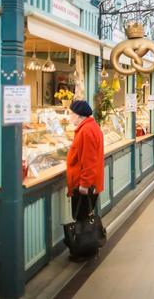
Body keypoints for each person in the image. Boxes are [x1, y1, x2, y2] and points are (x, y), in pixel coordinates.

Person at [66, 100, 104, 262]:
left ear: (78, 115)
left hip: (85, 185)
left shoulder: (86, 131)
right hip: (89, 183)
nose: (69, 117)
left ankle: (85, 251)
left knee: (82, 220)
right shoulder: (90, 128)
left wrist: (84, 184)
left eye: (71, 113)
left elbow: (89, 161)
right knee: (85, 218)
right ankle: (88, 249)